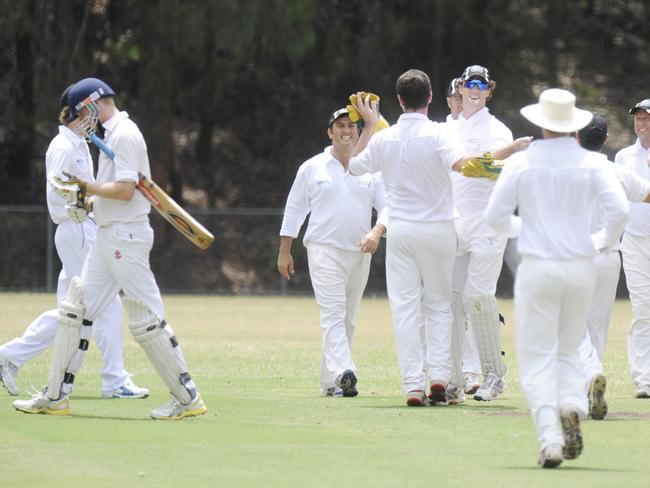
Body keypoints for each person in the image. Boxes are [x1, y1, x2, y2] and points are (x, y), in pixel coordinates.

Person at [13, 77, 206, 420]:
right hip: (106, 234)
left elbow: (126, 190)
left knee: (147, 318)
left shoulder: (125, 133)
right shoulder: (109, 135)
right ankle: (56, 395)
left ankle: (186, 397)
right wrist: (91, 204)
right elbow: (114, 191)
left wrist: (89, 187)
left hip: (125, 238)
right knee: (77, 310)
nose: (83, 117)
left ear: (91, 103)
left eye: (82, 110)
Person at [485, 88, 628, 468]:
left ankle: (550, 439)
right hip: (580, 266)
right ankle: (572, 404)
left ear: (542, 123)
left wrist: (526, 227)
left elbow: (495, 217)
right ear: (574, 126)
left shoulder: (522, 163)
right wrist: (599, 240)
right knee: (568, 348)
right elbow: (619, 213)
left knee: (536, 357)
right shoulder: (594, 165)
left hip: (539, 266)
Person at [348, 69, 490, 407]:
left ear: (399, 100)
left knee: (405, 308)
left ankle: (414, 384)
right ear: (429, 98)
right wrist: (502, 160)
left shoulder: (384, 138)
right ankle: (439, 377)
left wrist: (369, 125)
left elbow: (353, 166)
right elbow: (462, 166)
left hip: (402, 231)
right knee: (439, 305)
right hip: (440, 228)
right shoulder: (440, 133)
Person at [0, 85, 148, 400]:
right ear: (80, 111)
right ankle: (114, 380)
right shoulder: (62, 146)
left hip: (83, 227)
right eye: (96, 107)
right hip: (76, 228)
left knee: (73, 310)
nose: (99, 115)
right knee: (102, 303)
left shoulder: (79, 143)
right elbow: (57, 189)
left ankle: (11, 357)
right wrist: (90, 198)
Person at [277, 107, 388, 397]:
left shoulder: (368, 168)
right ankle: (345, 371)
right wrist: (285, 251)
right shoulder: (312, 167)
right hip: (323, 250)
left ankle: (331, 380)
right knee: (333, 314)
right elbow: (295, 210)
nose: (347, 131)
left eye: (352, 126)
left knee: (348, 318)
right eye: (340, 126)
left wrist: (377, 231)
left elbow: (388, 206)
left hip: (360, 251)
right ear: (330, 132)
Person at [449, 64, 532, 402]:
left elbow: (493, 168)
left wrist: (502, 155)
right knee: (452, 301)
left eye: (481, 85)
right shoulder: (450, 128)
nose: (475, 90)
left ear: (489, 91)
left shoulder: (497, 129)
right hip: (454, 223)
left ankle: (493, 375)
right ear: (459, 88)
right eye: (470, 83)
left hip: (487, 224)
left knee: (478, 299)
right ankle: (454, 377)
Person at [576, 114, 650, 420]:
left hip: (573, 256)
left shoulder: (564, 172)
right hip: (608, 256)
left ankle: (590, 375)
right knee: (596, 327)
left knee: (571, 326)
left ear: (577, 138)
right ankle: (590, 382)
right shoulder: (617, 171)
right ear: (605, 140)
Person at [615, 98, 650, 400]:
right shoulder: (624, 157)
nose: (641, 124)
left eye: (647, 119)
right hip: (635, 241)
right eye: (638, 119)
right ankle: (643, 380)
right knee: (643, 311)